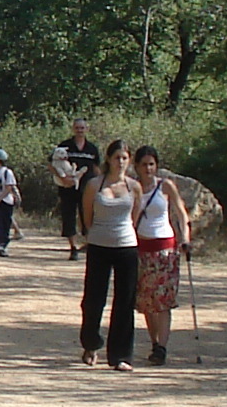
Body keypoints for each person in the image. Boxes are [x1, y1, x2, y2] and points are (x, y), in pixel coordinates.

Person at [79, 140, 141, 370]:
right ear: (108, 159)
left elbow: (135, 216)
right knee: (94, 299)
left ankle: (121, 355)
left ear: (129, 160)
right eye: (117, 157)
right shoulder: (95, 185)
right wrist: (94, 233)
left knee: (125, 300)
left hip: (126, 245)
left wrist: (124, 234)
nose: (121, 162)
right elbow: (87, 215)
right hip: (98, 244)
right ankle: (91, 343)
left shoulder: (134, 186)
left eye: (125, 158)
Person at [129, 144, 192, 366]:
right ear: (136, 166)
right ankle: (154, 343)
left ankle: (162, 347)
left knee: (163, 300)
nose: (148, 168)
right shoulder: (133, 188)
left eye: (152, 164)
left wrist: (185, 237)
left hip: (165, 249)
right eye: (144, 164)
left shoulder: (166, 187)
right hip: (142, 248)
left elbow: (181, 213)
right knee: (147, 300)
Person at [51, 121, 99, 260]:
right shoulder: (64, 146)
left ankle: (89, 244)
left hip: (87, 188)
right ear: (73, 129)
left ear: (87, 129)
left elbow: (97, 168)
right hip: (67, 188)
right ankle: (73, 248)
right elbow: (52, 164)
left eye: (82, 128)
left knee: (88, 216)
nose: (80, 130)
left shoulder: (91, 148)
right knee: (69, 216)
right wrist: (63, 178)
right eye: (77, 128)